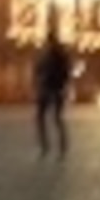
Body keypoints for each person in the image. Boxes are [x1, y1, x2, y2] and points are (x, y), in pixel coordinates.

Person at [33, 28, 73, 157]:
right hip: (48, 88)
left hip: (52, 88)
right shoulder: (50, 54)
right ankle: (49, 146)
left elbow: (64, 72)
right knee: (49, 118)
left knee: (54, 118)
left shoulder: (56, 55)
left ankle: (53, 146)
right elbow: (37, 69)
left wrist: (61, 85)